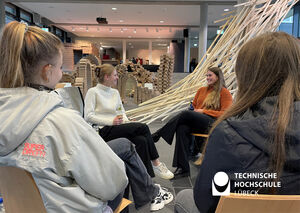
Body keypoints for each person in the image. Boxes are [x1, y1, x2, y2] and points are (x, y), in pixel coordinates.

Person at [0, 21, 173, 213]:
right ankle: (150, 189)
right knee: (121, 163)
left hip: (23, 206)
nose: (61, 75)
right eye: (59, 68)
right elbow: (110, 186)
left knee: (135, 139)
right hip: (73, 208)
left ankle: (150, 188)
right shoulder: (63, 122)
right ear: (47, 71)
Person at [175, 32, 300, 213]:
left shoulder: (228, 133)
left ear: (246, 76)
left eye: (210, 75)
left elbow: (207, 201)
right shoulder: (203, 91)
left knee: (184, 198)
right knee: (184, 120)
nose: (208, 78)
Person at [84, 64, 174, 180]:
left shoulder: (115, 93)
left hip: (116, 127)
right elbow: (88, 116)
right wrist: (111, 121)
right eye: (115, 75)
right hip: (103, 130)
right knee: (144, 128)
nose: (117, 77)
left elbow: (121, 112)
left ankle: (146, 178)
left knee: (141, 141)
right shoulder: (93, 92)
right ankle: (156, 163)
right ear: (107, 77)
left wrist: (128, 121)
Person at [152, 67, 233, 178]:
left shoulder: (224, 93)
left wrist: (203, 111)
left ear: (218, 77)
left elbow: (225, 113)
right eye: (207, 75)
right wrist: (195, 111)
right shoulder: (201, 90)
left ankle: (159, 133)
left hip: (212, 123)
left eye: (210, 75)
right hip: (198, 122)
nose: (207, 78)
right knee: (182, 128)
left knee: (186, 114)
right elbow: (194, 106)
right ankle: (183, 168)